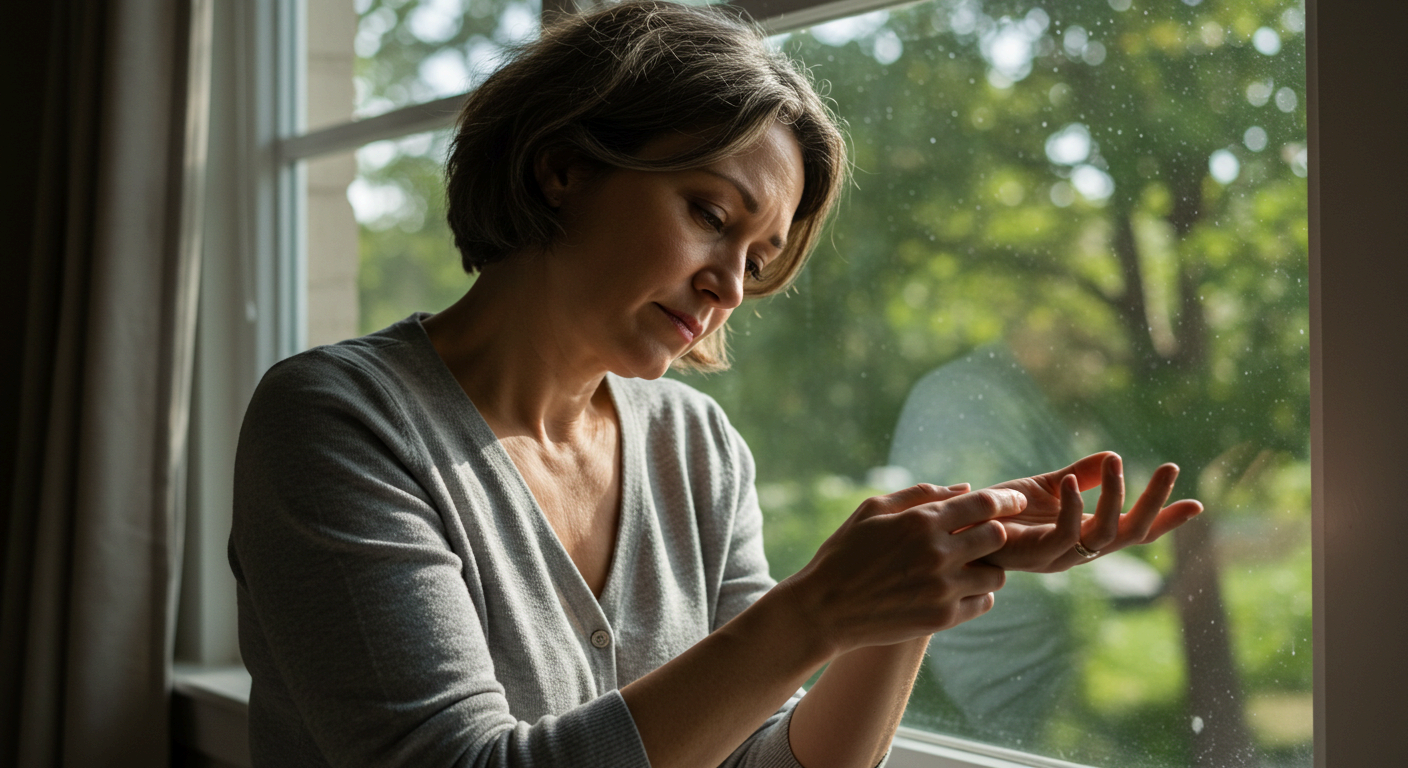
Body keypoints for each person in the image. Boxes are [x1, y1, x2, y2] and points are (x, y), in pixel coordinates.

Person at [228, 3, 1204, 767]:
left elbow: (759, 765)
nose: (731, 283)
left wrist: (916, 586)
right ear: (562, 167)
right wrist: (815, 609)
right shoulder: (338, 422)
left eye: (759, 255)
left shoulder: (694, 446)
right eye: (708, 213)